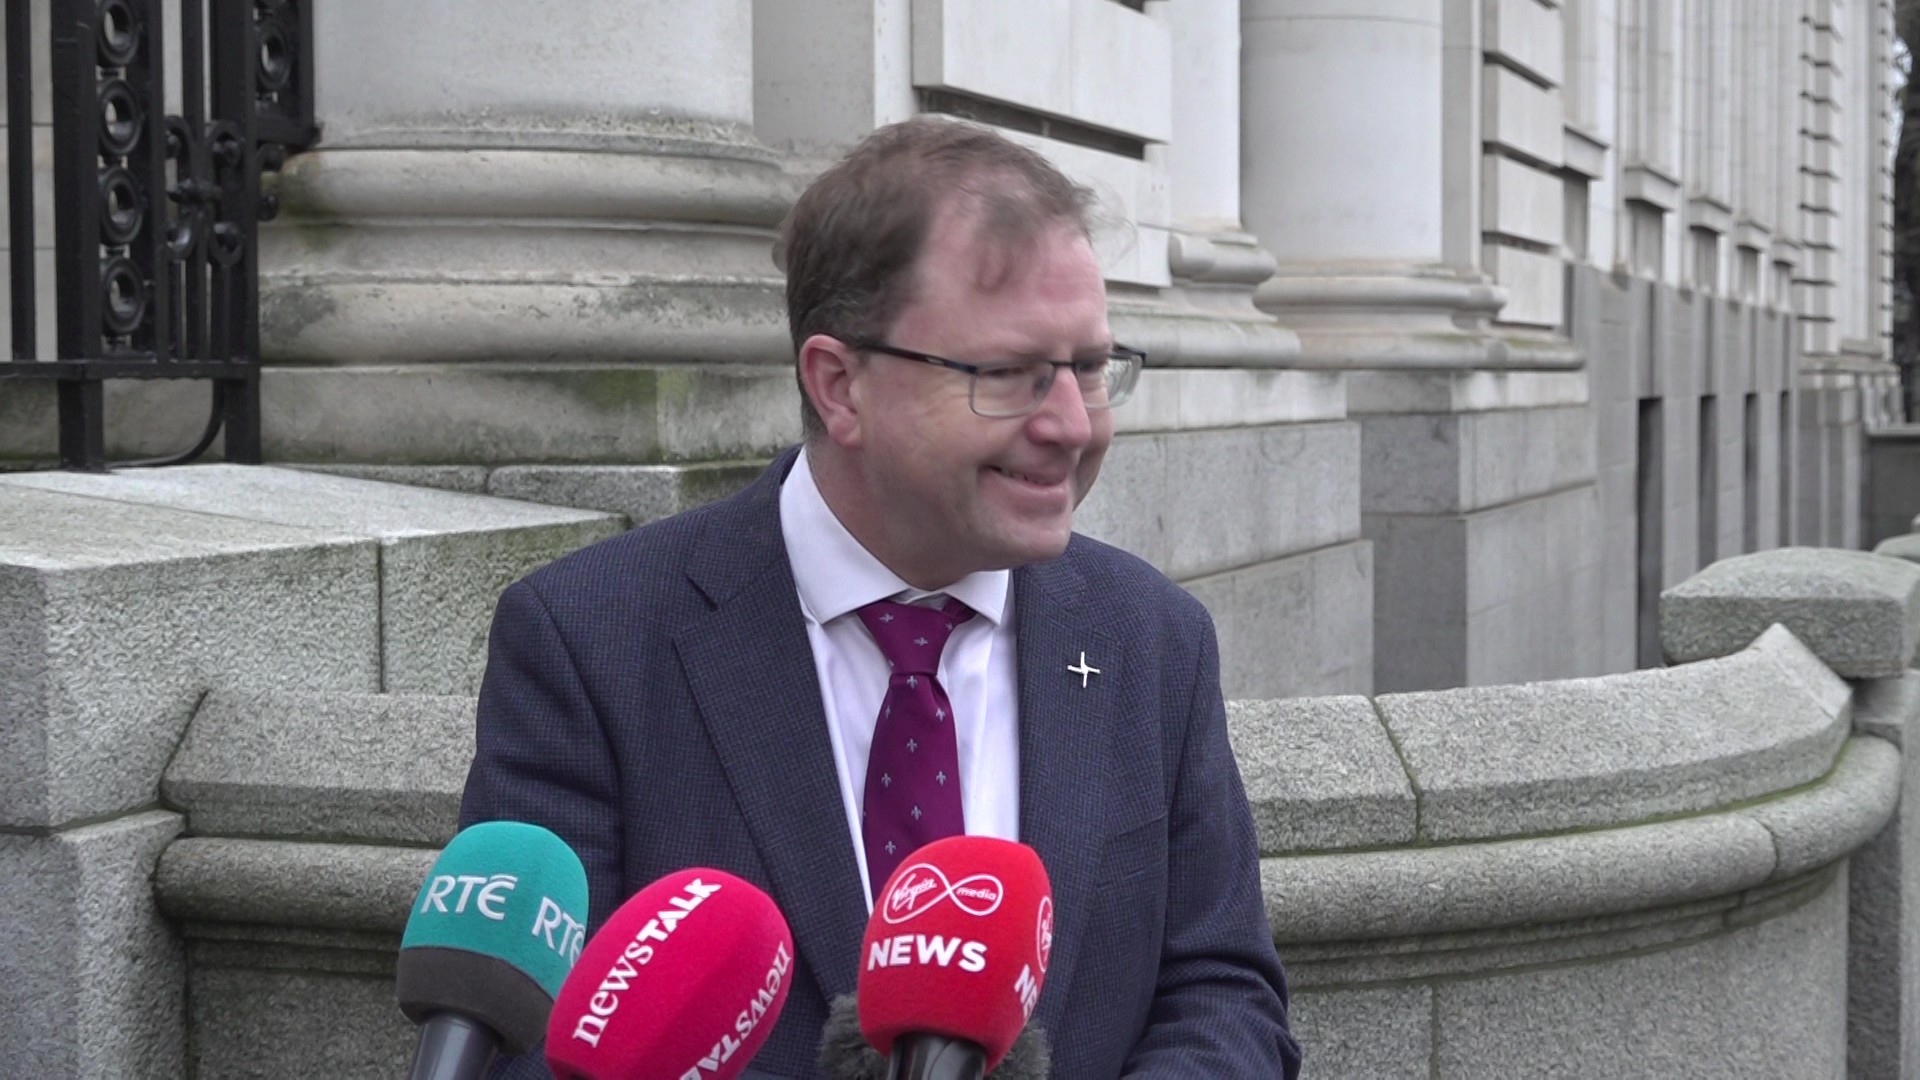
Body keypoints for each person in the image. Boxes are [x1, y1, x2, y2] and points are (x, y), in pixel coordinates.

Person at [460, 116, 1302, 1078]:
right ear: (839, 386)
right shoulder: (591, 642)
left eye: (1091, 367)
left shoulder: (1153, 639)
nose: (1072, 424)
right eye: (1010, 374)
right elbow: (525, 1039)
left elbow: (1223, 997)